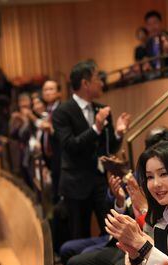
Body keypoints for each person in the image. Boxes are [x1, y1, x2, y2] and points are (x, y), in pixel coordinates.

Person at [52, 60, 131, 240]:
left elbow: (107, 148)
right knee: (79, 234)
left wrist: (118, 133)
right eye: (97, 78)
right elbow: (70, 146)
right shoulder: (62, 112)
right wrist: (95, 128)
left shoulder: (102, 109)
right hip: (75, 183)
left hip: (101, 180)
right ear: (85, 83)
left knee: (111, 230)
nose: (102, 83)